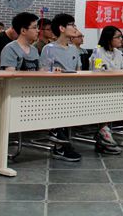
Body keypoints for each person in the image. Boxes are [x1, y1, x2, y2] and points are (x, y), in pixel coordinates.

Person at [39, 13, 82, 161]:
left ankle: (63, 143)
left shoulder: (74, 49)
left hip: (72, 89)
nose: (75, 28)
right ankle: (60, 146)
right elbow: (42, 70)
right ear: (62, 28)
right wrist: (52, 70)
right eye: (71, 25)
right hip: (53, 91)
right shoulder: (49, 48)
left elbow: (78, 70)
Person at [89, 26, 123, 155]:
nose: (121, 39)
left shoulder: (118, 53)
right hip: (99, 88)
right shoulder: (98, 51)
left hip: (116, 87)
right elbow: (97, 70)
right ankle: (103, 131)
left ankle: (104, 133)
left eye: (121, 36)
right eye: (118, 37)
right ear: (108, 38)